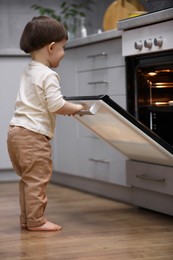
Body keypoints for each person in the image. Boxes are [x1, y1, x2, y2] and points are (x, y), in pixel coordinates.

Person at [7, 16, 85, 231]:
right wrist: (76, 108)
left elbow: (44, 103)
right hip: (33, 136)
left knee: (27, 179)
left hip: (15, 133)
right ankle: (36, 221)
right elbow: (56, 105)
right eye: (63, 47)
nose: (63, 52)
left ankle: (27, 219)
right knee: (37, 180)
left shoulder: (29, 70)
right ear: (51, 47)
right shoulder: (49, 74)